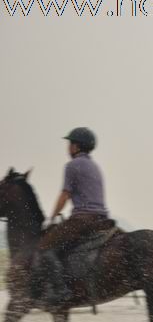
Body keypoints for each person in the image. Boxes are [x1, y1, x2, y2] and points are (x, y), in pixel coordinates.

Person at [36, 127, 110, 305]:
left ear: (76, 146)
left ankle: (61, 291)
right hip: (102, 218)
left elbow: (65, 195)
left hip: (83, 219)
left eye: (70, 143)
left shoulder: (72, 165)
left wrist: (51, 218)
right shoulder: (95, 166)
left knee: (45, 246)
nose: (68, 147)